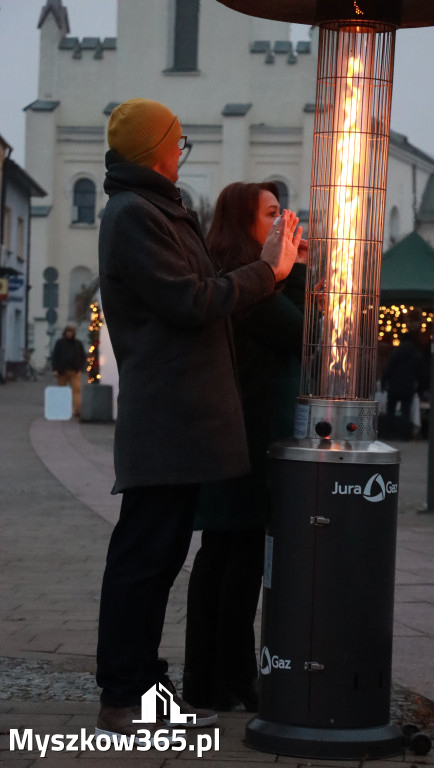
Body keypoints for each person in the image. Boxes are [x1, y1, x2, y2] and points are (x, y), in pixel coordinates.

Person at [95, 98, 302, 745]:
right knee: (144, 559)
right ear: (155, 147)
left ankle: (146, 691)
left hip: (183, 419)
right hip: (166, 417)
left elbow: (203, 288)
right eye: (178, 141)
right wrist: (268, 271)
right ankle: (124, 697)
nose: (181, 151)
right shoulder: (135, 214)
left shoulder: (161, 209)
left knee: (158, 561)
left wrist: (263, 271)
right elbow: (192, 299)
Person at [183, 182, 307, 712]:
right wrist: (294, 268)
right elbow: (308, 332)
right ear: (245, 223)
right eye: (272, 214)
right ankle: (228, 675)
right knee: (237, 563)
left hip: (235, 438)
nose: (283, 223)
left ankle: (210, 678)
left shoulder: (236, 279)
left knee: (223, 558)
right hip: (250, 442)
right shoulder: (250, 288)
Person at [380, 332, 424, 440]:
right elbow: (420, 372)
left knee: (390, 411)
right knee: (406, 411)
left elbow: (388, 369)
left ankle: (389, 433)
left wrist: (383, 382)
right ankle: (404, 435)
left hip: (394, 385)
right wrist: (419, 388)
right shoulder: (416, 354)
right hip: (408, 386)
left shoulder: (395, 353)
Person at [50, 324, 86, 417]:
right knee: (62, 391)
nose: (69, 334)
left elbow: (83, 356)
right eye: (68, 332)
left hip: (74, 371)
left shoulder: (78, 343)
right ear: (65, 332)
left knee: (77, 390)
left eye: (71, 332)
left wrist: (80, 368)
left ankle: (78, 410)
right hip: (62, 371)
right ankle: (62, 410)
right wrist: (55, 369)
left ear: (73, 333)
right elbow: (55, 356)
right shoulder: (60, 343)